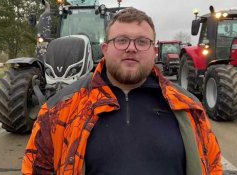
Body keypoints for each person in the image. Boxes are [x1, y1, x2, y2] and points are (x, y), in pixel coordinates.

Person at [22, 7, 222, 175]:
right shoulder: (59, 109)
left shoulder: (190, 109)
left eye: (142, 42)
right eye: (121, 40)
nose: (131, 48)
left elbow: (212, 166)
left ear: (154, 52)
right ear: (105, 49)